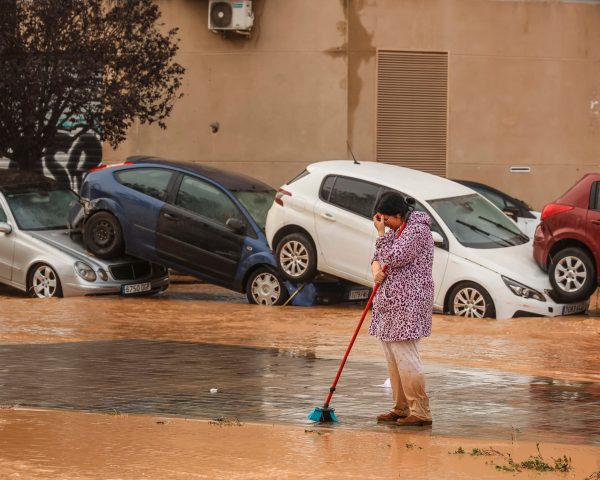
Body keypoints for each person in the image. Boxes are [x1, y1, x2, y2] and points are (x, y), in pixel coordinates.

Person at [370, 192, 434, 427]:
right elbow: (377, 257)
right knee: (392, 358)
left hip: (409, 303)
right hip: (389, 303)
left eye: (387, 219)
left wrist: (380, 234)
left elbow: (394, 257)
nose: (385, 224)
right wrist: (375, 269)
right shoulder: (398, 230)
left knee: (406, 357)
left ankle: (421, 411)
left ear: (398, 214)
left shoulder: (417, 231)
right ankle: (401, 407)